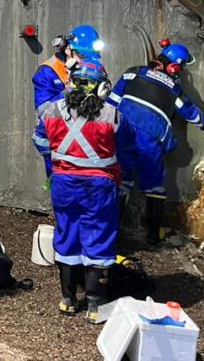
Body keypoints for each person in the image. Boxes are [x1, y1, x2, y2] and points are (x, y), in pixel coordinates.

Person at [107, 39, 204, 244]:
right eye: (180, 68)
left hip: (121, 131)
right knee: (154, 185)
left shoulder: (132, 72)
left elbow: (111, 102)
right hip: (150, 138)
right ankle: (153, 234)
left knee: (121, 180)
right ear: (174, 66)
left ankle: (111, 233)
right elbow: (192, 115)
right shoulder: (174, 90)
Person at [41, 57, 121, 323]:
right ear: (102, 88)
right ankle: (95, 305)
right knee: (98, 236)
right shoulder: (113, 115)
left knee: (67, 233)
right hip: (99, 186)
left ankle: (67, 299)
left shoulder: (51, 110)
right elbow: (129, 148)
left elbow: (39, 139)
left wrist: (57, 160)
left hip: (63, 183)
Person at [32, 25, 105, 177]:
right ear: (68, 49)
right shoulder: (48, 72)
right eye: (83, 56)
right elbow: (45, 111)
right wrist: (70, 91)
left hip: (89, 139)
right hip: (60, 143)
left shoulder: (91, 67)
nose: (87, 61)